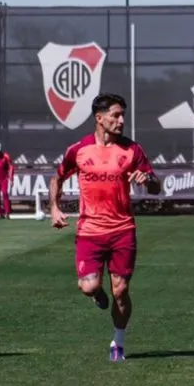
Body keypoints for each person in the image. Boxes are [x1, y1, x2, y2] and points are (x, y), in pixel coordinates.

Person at [48, 93, 161, 362]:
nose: (121, 120)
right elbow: (57, 177)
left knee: (121, 291)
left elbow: (156, 186)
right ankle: (96, 293)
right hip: (90, 231)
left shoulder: (132, 150)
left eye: (123, 115)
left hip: (123, 230)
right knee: (88, 287)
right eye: (116, 115)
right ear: (99, 119)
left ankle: (118, 341)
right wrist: (53, 206)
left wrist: (147, 180)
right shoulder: (79, 150)